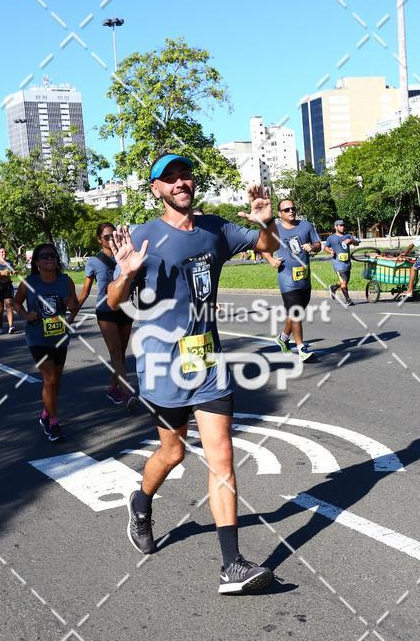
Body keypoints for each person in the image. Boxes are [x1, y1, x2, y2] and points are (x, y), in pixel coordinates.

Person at [107, 153, 277, 595]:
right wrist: (126, 275)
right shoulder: (142, 235)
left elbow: (269, 249)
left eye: (185, 175)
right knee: (173, 453)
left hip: (207, 360)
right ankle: (141, 501)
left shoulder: (217, 229)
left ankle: (231, 565)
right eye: (170, 178)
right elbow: (112, 303)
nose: (180, 183)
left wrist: (265, 223)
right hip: (163, 365)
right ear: (156, 190)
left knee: (221, 454)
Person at [13, 243, 79, 442]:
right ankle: (53, 423)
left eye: (53, 256)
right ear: (36, 262)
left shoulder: (65, 281)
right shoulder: (29, 282)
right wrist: (26, 314)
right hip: (37, 337)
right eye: (45, 256)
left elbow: (75, 305)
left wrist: (70, 308)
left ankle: (45, 415)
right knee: (49, 379)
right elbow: (16, 302)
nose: (50, 259)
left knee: (55, 381)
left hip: (59, 337)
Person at [77, 223, 136, 408]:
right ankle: (127, 394)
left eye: (113, 236)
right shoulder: (93, 262)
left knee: (121, 354)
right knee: (116, 352)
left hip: (126, 309)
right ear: (99, 240)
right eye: (106, 237)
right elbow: (85, 291)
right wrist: (71, 316)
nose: (110, 239)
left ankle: (113, 388)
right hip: (105, 312)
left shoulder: (126, 256)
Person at [264, 199, 321, 361]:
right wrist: (271, 260)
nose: (291, 211)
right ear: (279, 213)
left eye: (293, 208)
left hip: (304, 278)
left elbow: (318, 244)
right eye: (286, 209)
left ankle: (282, 338)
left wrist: (313, 247)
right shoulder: (274, 230)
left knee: (296, 313)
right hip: (286, 279)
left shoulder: (306, 226)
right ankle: (301, 349)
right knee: (296, 312)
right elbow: (261, 247)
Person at [324, 220, 360, 305]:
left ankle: (333, 287)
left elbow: (357, 242)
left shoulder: (348, 236)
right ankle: (348, 300)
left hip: (347, 263)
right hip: (338, 264)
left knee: (345, 281)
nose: (342, 227)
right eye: (340, 225)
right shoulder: (331, 238)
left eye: (343, 225)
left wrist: (351, 241)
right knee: (344, 282)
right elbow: (325, 248)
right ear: (335, 227)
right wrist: (330, 251)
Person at [0, 247, 16, 333]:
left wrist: (14, 272)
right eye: (1, 252)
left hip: (8, 286)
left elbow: (13, 271)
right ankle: (0, 324)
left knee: (9, 305)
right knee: (1, 309)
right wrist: (0, 274)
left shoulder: (9, 262)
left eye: (5, 252)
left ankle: (11, 326)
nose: (3, 253)